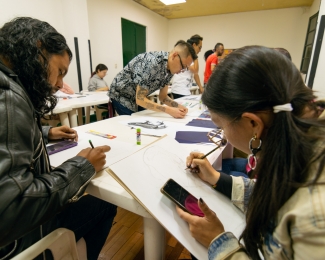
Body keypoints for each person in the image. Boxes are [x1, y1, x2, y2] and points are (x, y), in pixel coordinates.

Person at [177, 46, 325, 259]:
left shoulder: (315, 218)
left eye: (221, 126)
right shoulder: (297, 142)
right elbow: (274, 190)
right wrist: (217, 178)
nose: (224, 136)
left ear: (253, 124)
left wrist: (219, 244)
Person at [0, 17, 117, 260]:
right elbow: (11, 211)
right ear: (39, 49)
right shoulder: (9, 100)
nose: (59, 84)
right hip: (20, 242)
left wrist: (44, 132)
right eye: (60, 72)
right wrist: (82, 167)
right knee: (104, 203)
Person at [109, 40, 197, 118]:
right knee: (134, 122)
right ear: (174, 55)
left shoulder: (170, 69)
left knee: (144, 118)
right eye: (183, 66)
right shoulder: (152, 63)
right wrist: (169, 110)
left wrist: (178, 106)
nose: (182, 71)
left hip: (135, 97)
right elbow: (140, 99)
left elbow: (163, 97)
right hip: (121, 94)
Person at [171, 34, 204, 99]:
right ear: (194, 45)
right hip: (179, 90)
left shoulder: (190, 55)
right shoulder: (187, 54)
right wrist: (195, 55)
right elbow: (195, 70)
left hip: (183, 89)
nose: (200, 50)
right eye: (199, 47)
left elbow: (195, 74)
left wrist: (200, 87)